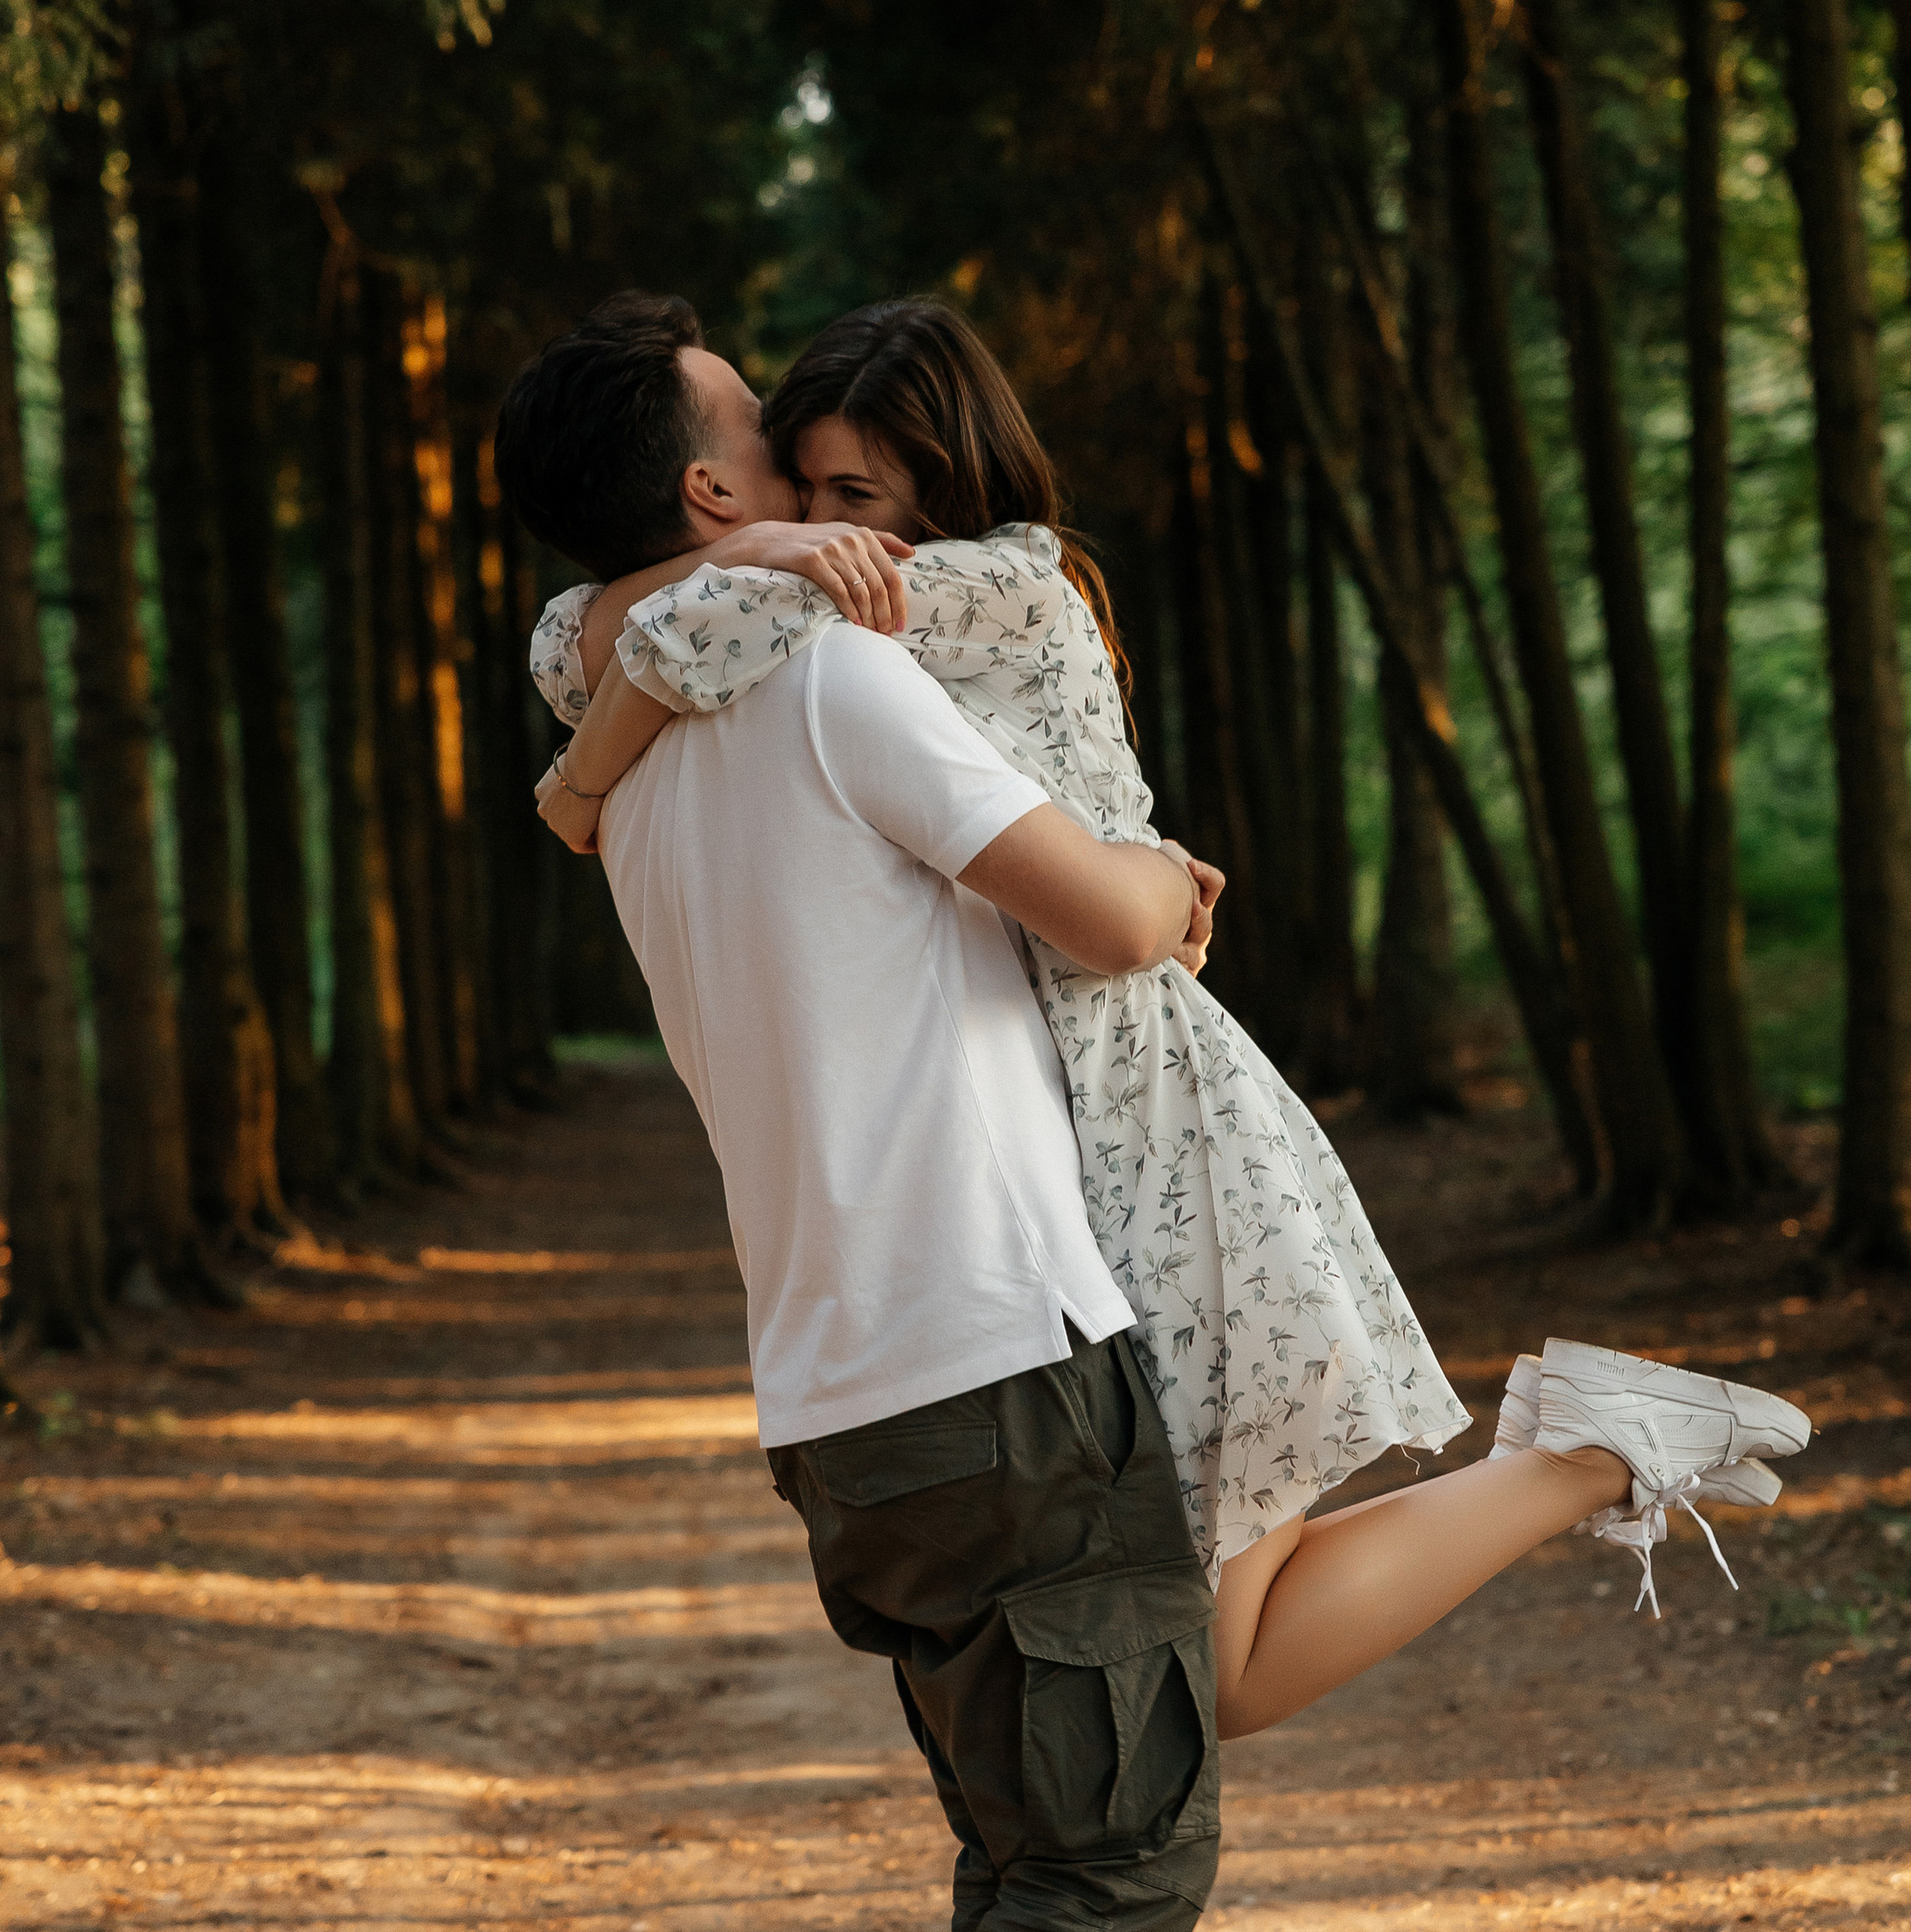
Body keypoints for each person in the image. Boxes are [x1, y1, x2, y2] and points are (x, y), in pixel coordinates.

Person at [495, 292, 1811, 1932]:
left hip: (896, 1356)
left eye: (850, 492)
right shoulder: (803, 657)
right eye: (778, 478)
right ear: (715, 499)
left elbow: (593, 671)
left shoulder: (717, 672)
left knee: (1046, 1857)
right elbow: (1116, 909)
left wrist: (602, 735)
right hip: (1002, 1335)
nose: (823, 520)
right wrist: (1153, 871)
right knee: (1120, 1863)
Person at [527, 295, 1813, 1722]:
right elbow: (590, 638)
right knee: (1210, 1659)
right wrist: (742, 574)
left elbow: (630, 643)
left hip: (1157, 1123)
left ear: (950, 492)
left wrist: (585, 780)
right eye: (806, 487)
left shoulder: (994, 585)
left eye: (859, 494)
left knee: (1211, 1668)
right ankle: (1590, 1449)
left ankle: (1590, 1453)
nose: (835, 523)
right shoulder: (811, 591)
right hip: (1077, 1136)